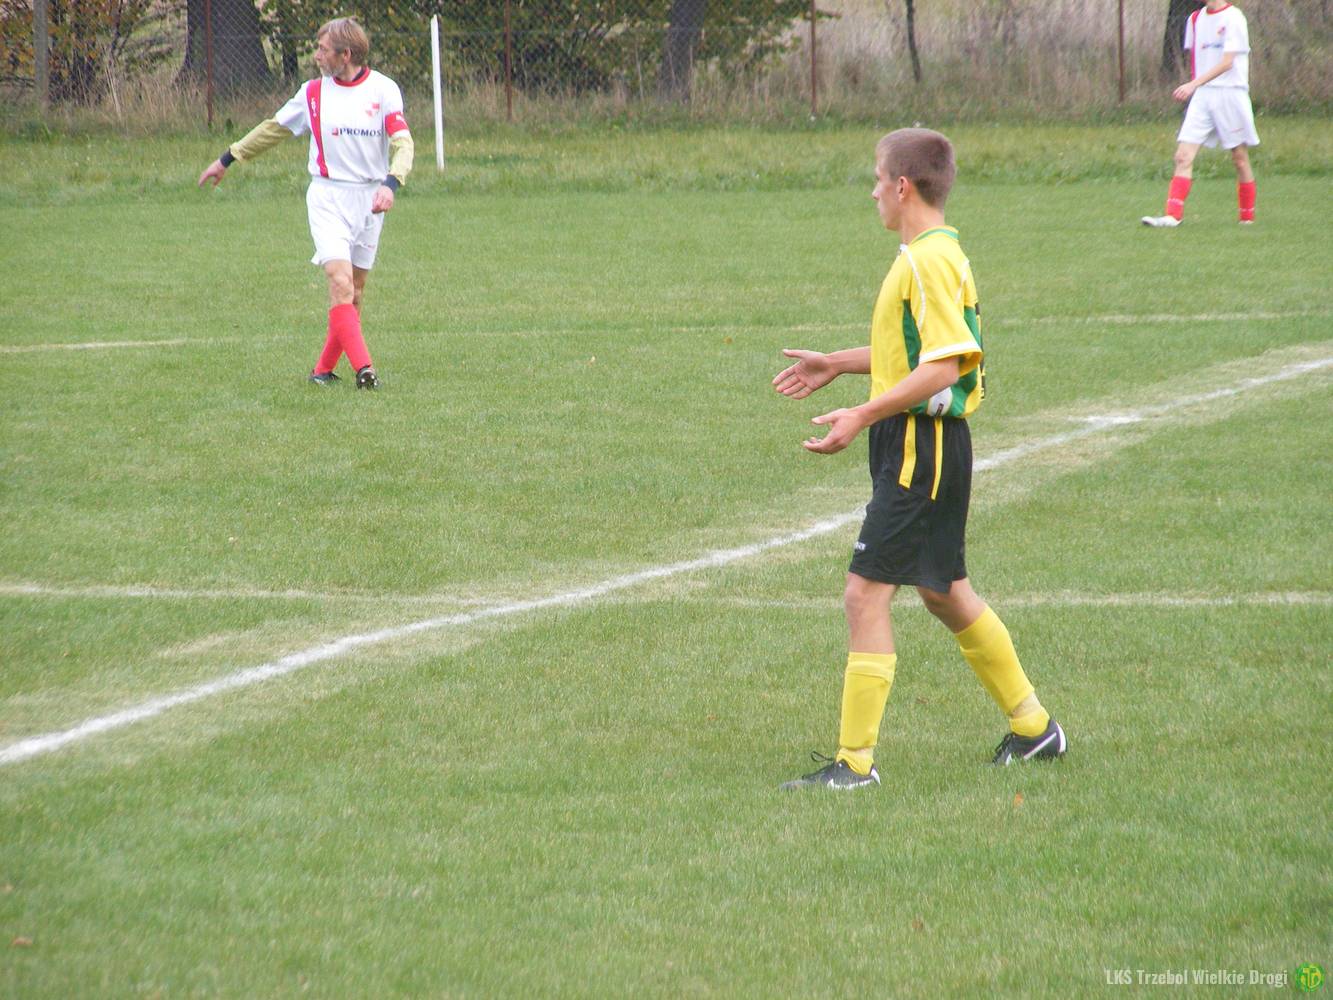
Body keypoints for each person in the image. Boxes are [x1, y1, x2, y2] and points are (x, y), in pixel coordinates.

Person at [773, 128, 1065, 791]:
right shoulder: (933, 253)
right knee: (943, 592)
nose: (873, 193)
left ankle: (854, 765)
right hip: (930, 443)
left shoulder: (926, 261)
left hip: (918, 445)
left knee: (863, 593)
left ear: (902, 186)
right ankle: (1034, 728)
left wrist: (862, 413)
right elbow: (917, 354)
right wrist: (838, 363)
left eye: (878, 180)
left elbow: (941, 369)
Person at [198, 17, 414, 387]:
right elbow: (273, 129)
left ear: (346, 55)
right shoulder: (312, 93)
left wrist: (391, 184)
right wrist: (228, 158)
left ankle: (322, 371)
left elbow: (403, 143)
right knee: (339, 282)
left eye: (323, 50)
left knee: (354, 293)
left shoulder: (383, 90)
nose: (316, 56)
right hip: (328, 197)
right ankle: (365, 370)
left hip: (369, 201)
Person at [1142, 0, 1257, 228]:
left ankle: (1247, 218)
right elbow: (1197, 59)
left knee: (1239, 158)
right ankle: (1172, 216)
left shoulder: (1234, 17)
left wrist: (1193, 84)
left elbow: (1227, 63)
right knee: (1183, 156)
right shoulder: (1194, 19)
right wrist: (1196, 87)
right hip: (1203, 96)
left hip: (1230, 93)